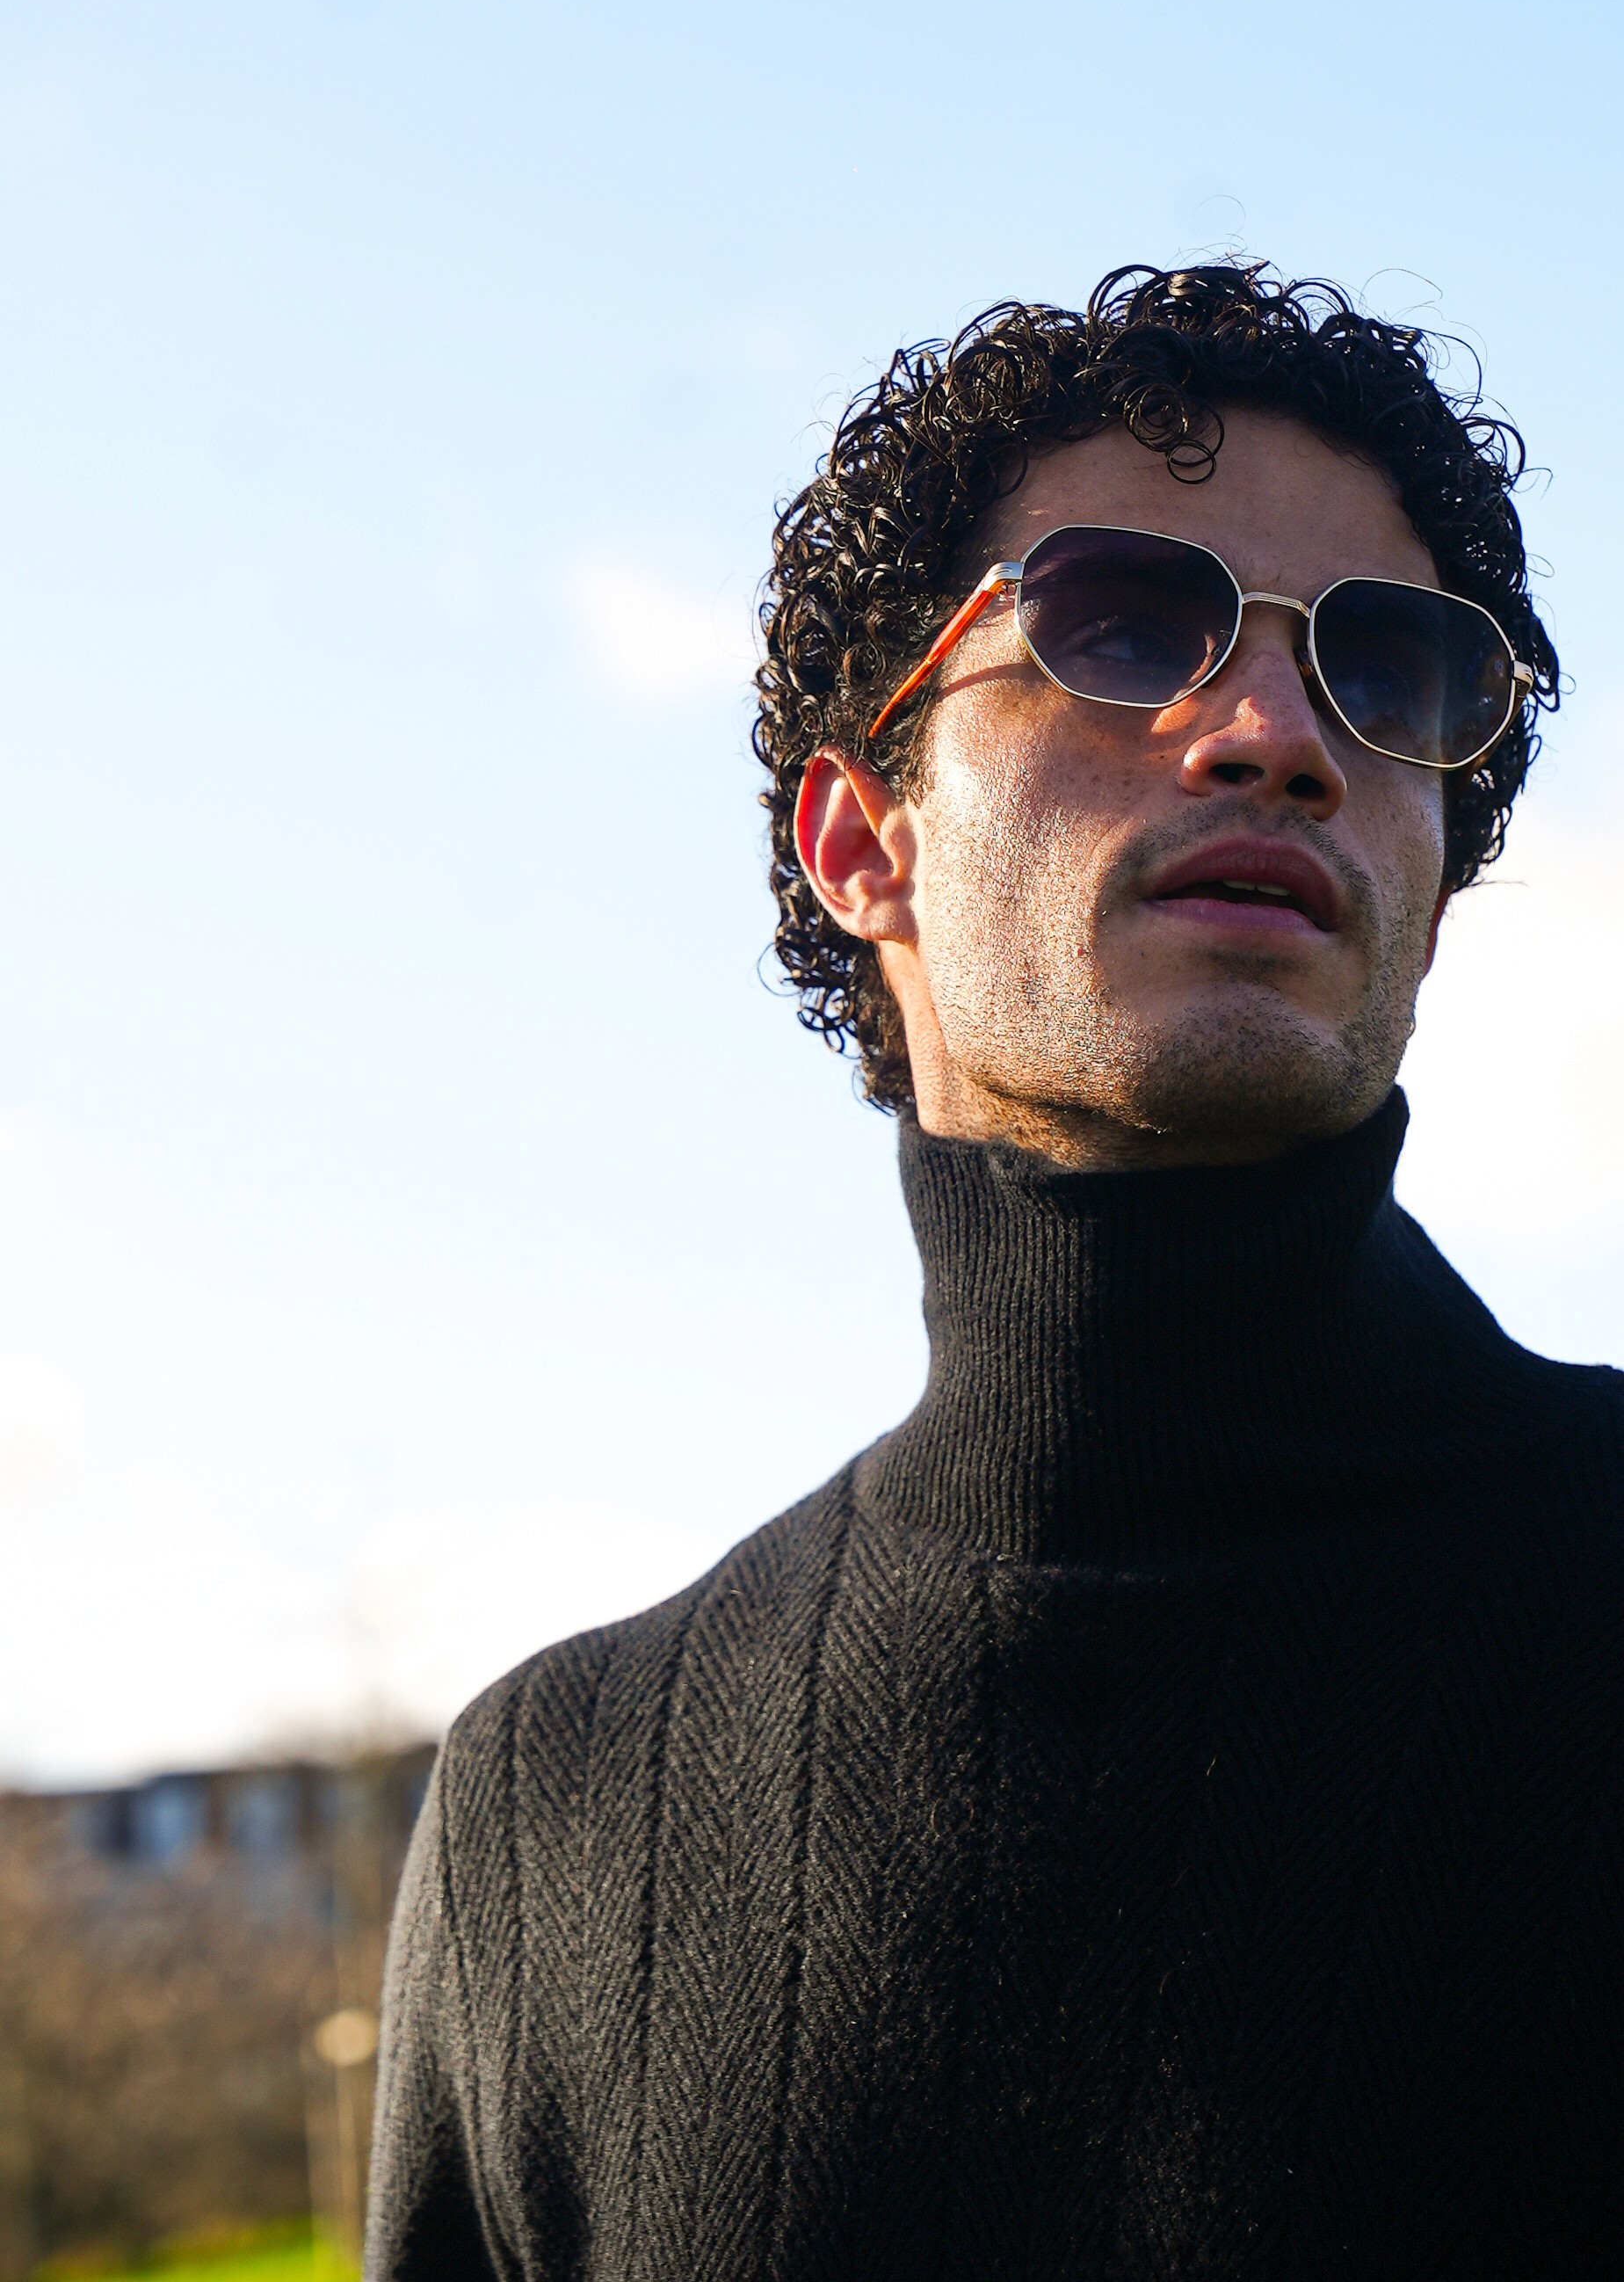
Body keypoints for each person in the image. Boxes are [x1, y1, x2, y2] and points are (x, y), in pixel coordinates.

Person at [366, 266, 1624, 2281]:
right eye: (1125, 624)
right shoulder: (558, 1816)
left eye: (1389, 673)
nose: (1277, 734)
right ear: (862, 838)